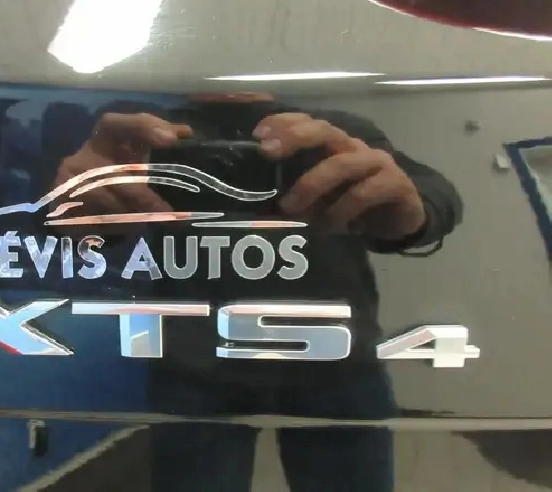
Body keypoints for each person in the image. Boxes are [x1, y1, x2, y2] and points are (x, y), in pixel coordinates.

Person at [51, 92, 464, 491]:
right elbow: (65, 236)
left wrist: (412, 212)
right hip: (230, 364)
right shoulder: (141, 139)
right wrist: (68, 211)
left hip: (305, 362)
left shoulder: (331, 131)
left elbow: (435, 193)